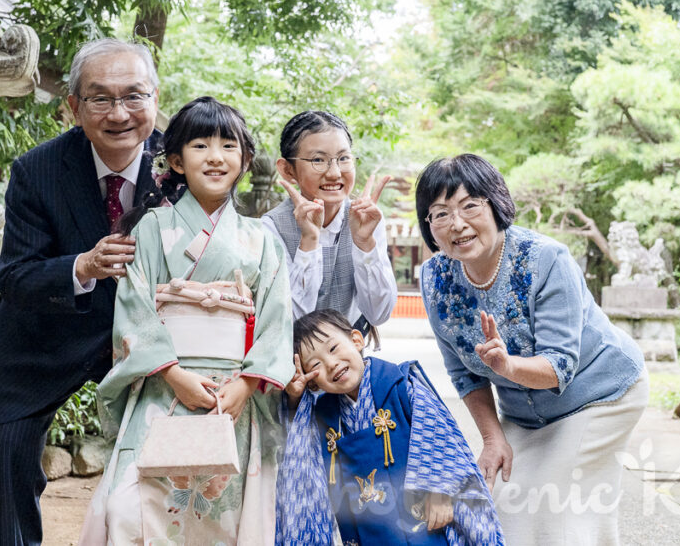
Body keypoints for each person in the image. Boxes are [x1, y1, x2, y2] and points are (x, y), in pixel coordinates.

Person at [79, 96, 295, 545]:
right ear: (176, 160)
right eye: (200, 145)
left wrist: (246, 385)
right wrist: (174, 374)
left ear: (245, 160)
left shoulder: (261, 239)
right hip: (165, 386)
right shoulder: (152, 228)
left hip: (232, 397)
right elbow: (134, 307)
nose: (215, 156)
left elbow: (277, 321)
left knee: (225, 517)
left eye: (228, 146)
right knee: (130, 508)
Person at [0, 39, 162, 546]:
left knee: (179, 448)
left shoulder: (185, 166)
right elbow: (15, 276)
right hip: (45, 339)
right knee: (12, 449)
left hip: (145, 341)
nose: (119, 113)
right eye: (100, 99)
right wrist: (83, 265)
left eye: (134, 96)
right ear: (74, 107)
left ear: (156, 100)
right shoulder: (37, 170)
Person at [415, 154, 649, 545]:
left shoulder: (545, 258)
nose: (457, 224)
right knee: (502, 502)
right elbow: (463, 374)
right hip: (525, 413)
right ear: (430, 226)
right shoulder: (435, 278)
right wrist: (493, 439)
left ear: (496, 203)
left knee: (553, 507)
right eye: (440, 213)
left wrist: (507, 366)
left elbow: (560, 366)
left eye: (470, 205)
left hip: (602, 394)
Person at [276, 309, 505, 546]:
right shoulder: (321, 416)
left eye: (333, 349)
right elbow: (297, 444)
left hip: (424, 526)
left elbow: (440, 438)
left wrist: (440, 489)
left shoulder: (402, 386)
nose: (331, 364)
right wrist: (295, 398)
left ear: (357, 339)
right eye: (316, 365)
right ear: (312, 382)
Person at [262, 111, 398, 337]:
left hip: (349, 358)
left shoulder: (367, 218)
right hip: (289, 360)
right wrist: (309, 241)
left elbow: (378, 314)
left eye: (343, 158)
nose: (335, 173)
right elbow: (291, 319)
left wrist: (365, 243)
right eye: (318, 160)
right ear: (288, 170)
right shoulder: (271, 228)